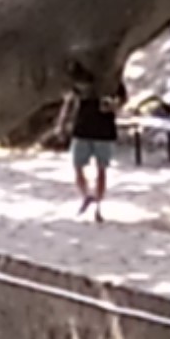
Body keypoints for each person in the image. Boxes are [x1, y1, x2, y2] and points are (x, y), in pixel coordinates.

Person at [61, 62, 122, 220]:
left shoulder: (112, 80)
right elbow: (70, 99)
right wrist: (63, 121)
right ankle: (88, 196)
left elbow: (122, 99)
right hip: (86, 127)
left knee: (100, 169)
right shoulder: (84, 77)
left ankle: (97, 204)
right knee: (79, 166)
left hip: (100, 129)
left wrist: (112, 106)